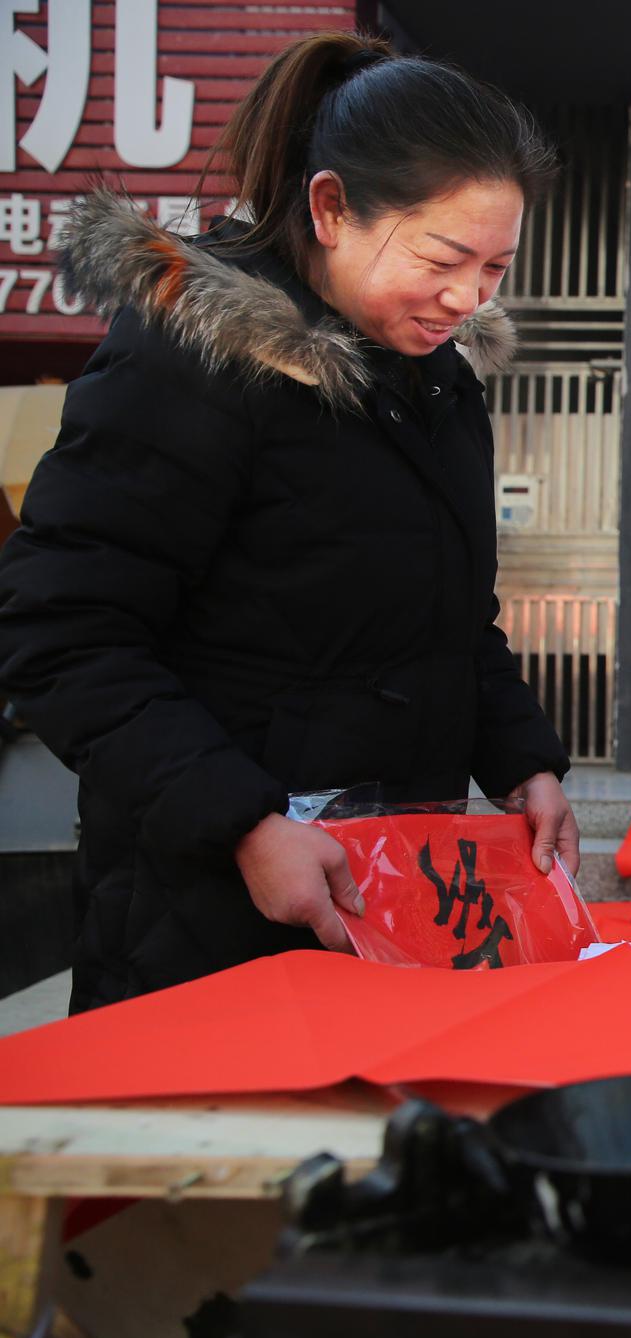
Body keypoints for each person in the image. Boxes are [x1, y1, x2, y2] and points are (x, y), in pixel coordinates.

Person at [0, 32, 577, 1013]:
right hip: (206, 917)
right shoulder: (193, 362)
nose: (467, 297)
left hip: (396, 895)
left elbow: (449, 621)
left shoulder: (439, 384)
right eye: (443, 258)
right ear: (329, 208)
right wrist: (244, 825)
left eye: (494, 267)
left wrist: (522, 759)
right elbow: (63, 631)